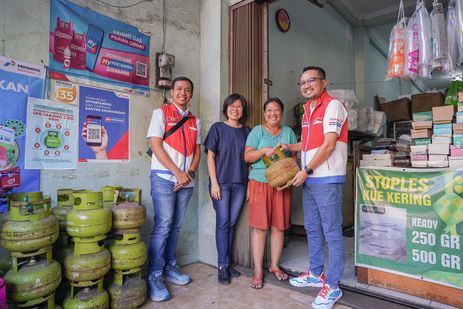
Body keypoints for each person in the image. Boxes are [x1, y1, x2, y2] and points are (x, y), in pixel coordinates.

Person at [281, 66, 348, 309]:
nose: (306, 85)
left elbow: (329, 145)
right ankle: (316, 272)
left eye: (311, 80)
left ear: (323, 82)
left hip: (327, 178)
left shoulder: (333, 105)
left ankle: (333, 285)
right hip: (309, 178)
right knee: (312, 228)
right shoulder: (308, 109)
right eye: (302, 82)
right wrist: (290, 148)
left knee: (331, 232)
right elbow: (310, 143)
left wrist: (306, 170)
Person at [146, 76, 201, 302]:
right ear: (171, 92)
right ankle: (155, 275)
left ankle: (170, 266)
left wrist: (188, 174)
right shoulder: (160, 114)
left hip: (186, 181)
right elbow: (155, 145)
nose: (183, 93)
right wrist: (177, 173)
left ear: (191, 95)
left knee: (176, 225)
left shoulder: (195, 120)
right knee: (164, 224)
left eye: (187, 90)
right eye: (179, 89)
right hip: (163, 178)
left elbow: (198, 152)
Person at [244, 97, 297, 289]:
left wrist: (292, 178)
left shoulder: (288, 132)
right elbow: (247, 156)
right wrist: (263, 151)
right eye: (269, 110)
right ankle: (258, 270)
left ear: (281, 113)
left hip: (282, 185)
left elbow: (293, 158)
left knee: (278, 226)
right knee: (259, 227)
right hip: (259, 182)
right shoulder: (257, 132)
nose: (272, 113)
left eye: (276, 110)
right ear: (264, 113)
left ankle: (274, 266)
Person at [203, 93, 251, 285]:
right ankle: (222, 265)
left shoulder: (247, 131)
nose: (235, 109)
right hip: (221, 183)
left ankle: (227, 263)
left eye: (239, 106)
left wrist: (249, 185)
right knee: (223, 223)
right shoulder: (217, 128)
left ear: (242, 110)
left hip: (240, 184)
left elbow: (250, 160)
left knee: (231, 223)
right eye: (232, 106)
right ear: (226, 108)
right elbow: (210, 157)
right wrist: (214, 182)